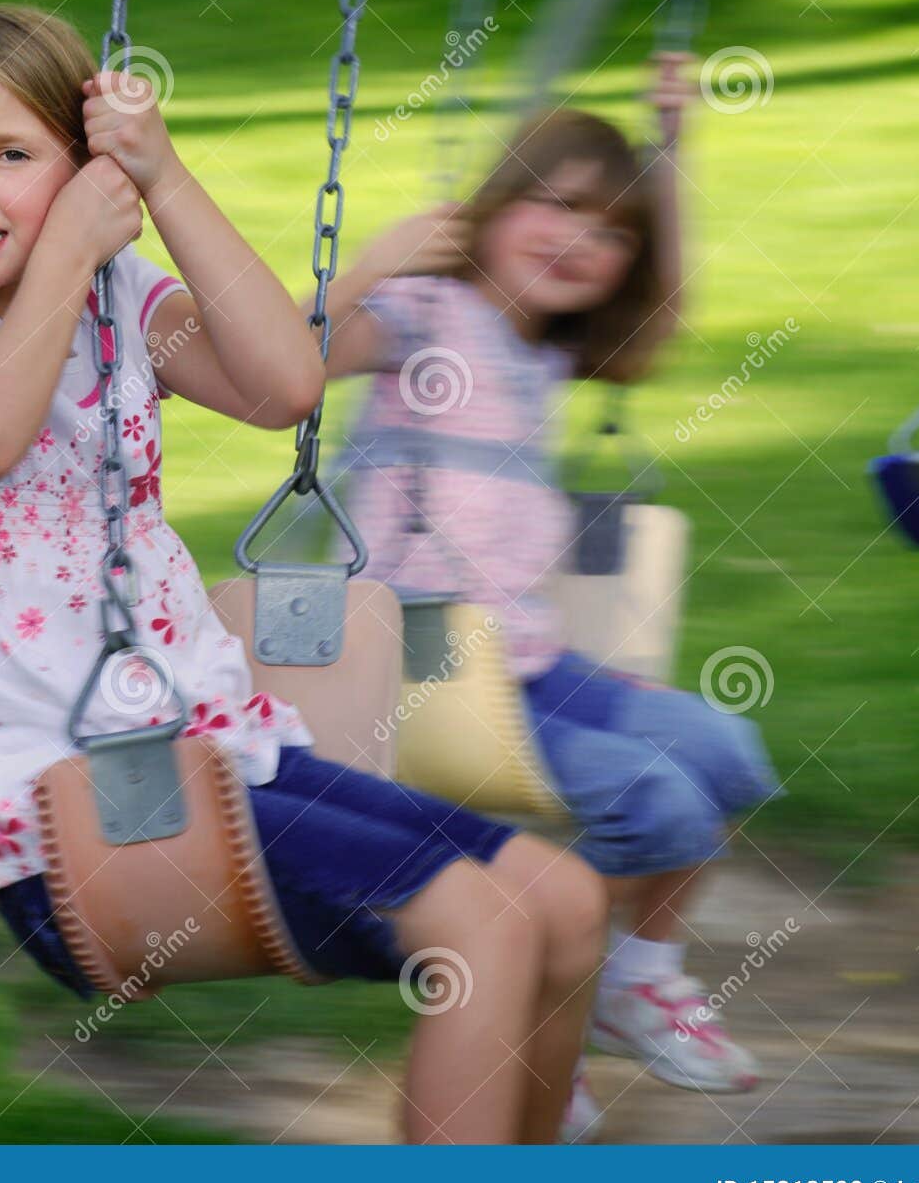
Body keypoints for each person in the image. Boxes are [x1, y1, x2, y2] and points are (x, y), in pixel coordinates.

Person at [0, 3, 607, 1144]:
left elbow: (282, 384)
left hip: (215, 746)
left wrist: (168, 181)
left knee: (563, 899)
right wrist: (67, 252)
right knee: (478, 922)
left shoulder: (121, 299)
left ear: (86, 169)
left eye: (12, 155)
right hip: (64, 810)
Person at [311, 57, 781, 1112]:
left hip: (526, 662)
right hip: (422, 665)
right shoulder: (423, 311)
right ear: (493, 204)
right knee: (655, 801)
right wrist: (369, 262)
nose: (581, 242)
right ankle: (543, 1014)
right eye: (557, 208)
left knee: (725, 750)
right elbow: (280, 367)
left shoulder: (549, 351)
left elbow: (658, 322)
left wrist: (672, 151)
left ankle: (635, 979)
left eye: (609, 233)